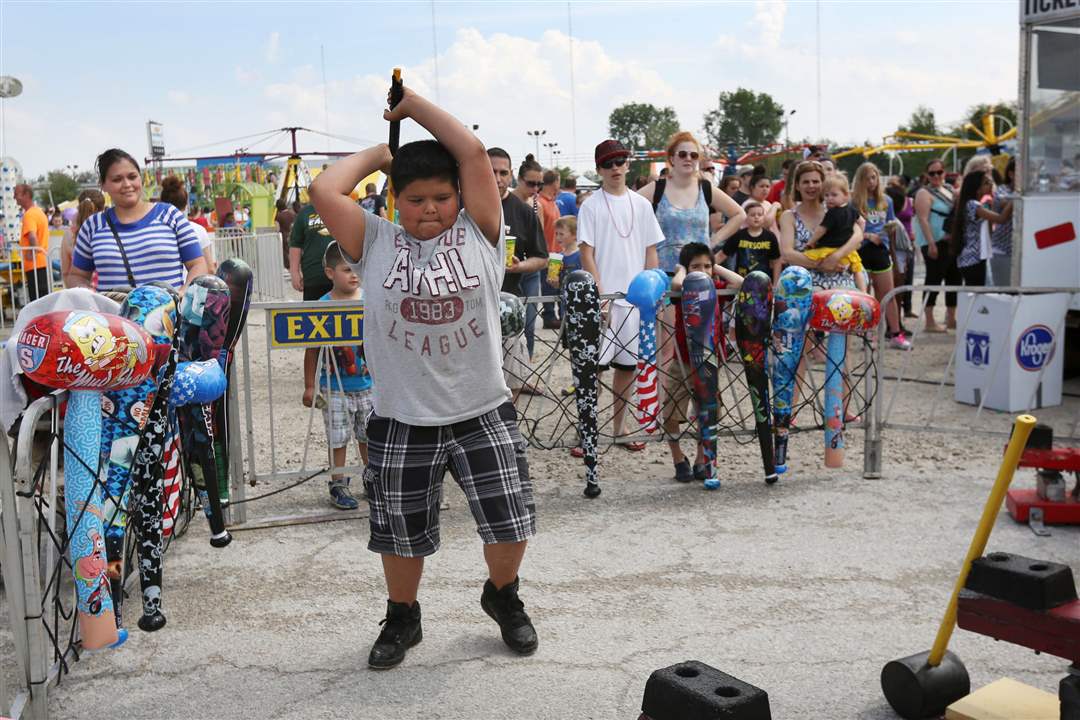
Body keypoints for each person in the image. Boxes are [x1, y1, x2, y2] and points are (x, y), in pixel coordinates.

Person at [308, 85, 538, 669]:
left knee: (510, 522)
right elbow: (323, 189)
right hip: (402, 417)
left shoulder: (480, 234)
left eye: (441, 197)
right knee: (400, 533)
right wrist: (379, 158)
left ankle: (503, 595)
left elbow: (472, 152)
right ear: (395, 204)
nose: (430, 209)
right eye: (415, 199)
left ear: (459, 198)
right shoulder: (374, 241)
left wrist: (412, 106)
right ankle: (403, 616)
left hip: (482, 407)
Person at [578, 139, 664, 452]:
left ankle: (619, 427)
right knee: (593, 369)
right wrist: (599, 296)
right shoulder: (591, 205)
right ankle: (586, 429)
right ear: (599, 169)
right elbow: (587, 254)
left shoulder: (642, 205)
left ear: (628, 164)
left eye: (619, 161)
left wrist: (651, 292)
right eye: (608, 164)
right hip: (603, 300)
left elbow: (650, 251)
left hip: (635, 301)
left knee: (627, 368)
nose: (615, 168)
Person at [68, 149, 207, 291]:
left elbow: (198, 265)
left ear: (140, 178)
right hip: (113, 313)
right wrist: (92, 299)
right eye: (117, 179)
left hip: (168, 312)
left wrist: (183, 293)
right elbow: (76, 276)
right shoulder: (92, 226)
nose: (127, 184)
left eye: (132, 177)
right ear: (103, 185)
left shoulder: (170, 215)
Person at [664, 242, 743, 484]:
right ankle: (679, 459)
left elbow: (741, 284)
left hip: (709, 362)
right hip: (683, 360)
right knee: (671, 411)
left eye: (706, 266)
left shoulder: (715, 287)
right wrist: (683, 271)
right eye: (695, 266)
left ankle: (701, 459)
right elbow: (676, 284)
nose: (702, 271)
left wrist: (715, 268)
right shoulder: (684, 289)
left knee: (707, 413)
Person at [301, 241, 371, 511]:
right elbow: (312, 350)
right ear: (330, 273)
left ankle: (371, 477)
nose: (354, 274)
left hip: (368, 385)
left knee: (369, 436)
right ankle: (338, 483)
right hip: (334, 387)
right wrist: (310, 386)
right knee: (338, 437)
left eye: (357, 268)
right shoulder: (322, 305)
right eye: (346, 269)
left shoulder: (369, 300)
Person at [637, 131, 745, 275]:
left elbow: (739, 214)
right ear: (672, 158)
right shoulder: (657, 188)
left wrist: (714, 241)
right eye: (682, 154)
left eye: (693, 155)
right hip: (664, 276)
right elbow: (626, 208)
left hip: (700, 276)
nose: (688, 158)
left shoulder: (706, 188)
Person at [488, 148, 548, 361]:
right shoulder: (462, 204)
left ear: (511, 174)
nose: (497, 179)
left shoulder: (523, 212)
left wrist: (519, 266)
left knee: (513, 380)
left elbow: (542, 257)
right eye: (491, 171)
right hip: (470, 306)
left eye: (503, 173)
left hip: (509, 303)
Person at [778, 161, 865, 291]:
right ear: (797, 185)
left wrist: (835, 257)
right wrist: (821, 264)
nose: (811, 186)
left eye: (815, 181)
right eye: (806, 182)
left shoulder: (835, 209)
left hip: (841, 281)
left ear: (822, 184)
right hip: (805, 286)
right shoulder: (789, 216)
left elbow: (857, 236)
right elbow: (787, 253)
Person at [850, 163, 910, 349]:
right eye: (867, 178)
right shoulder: (854, 202)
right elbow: (849, 228)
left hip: (881, 250)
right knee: (865, 297)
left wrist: (888, 234)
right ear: (860, 180)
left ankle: (895, 334)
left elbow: (891, 222)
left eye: (874, 177)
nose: (871, 182)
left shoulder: (886, 201)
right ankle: (869, 335)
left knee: (888, 294)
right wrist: (867, 235)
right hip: (861, 250)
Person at [913, 158, 959, 332]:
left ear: (944, 172)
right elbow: (923, 219)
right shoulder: (924, 193)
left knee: (953, 279)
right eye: (932, 173)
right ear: (926, 175)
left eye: (939, 172)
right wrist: (931, 243)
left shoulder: (948, 189)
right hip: (934, 242)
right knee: (933, 279)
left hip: (950, 241)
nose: (936, 176)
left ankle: (951, 318)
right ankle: (930, 321)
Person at [804, 175, 868, 293]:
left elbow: (821, 229)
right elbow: (862, 222)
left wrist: (811, 242)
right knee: (857, 269)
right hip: (848, 252)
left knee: (807, 257)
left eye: (834, 195)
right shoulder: (852, 210)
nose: (829, 199)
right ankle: (864, 293)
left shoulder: (832, 213)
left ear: (846, 195)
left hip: (829, 249)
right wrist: (860, 238)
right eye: (826, 195)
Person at [952, 169, 1012, 288]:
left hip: (971, 259)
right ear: (977, 188)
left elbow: (989, 230)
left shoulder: (971, 204)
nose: (991, 185)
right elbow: (1001, 219)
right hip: (973, 259)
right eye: (986, 183)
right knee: (977, 296)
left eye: (990, 182)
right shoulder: (974, 205)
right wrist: (1014, 200)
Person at [160, 176, 216, 274]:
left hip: (163, 287)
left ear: (162, 203)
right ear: (186, 204)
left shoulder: (155, 231)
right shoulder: (199, 230)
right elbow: (210, 268)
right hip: (192, 286)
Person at [715, 201, 781, 285]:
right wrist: (709, 264)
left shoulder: (770, 237)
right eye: (753, 215)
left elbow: (776, 262)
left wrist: (775, 284)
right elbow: (722, 255)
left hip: (764, 281)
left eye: (760, 215)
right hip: (742, 281)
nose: (756, 217)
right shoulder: (739, 235)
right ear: (746, 217)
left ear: (764, 217)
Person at [289, 202, 336, 301]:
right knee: (313, 313)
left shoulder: (343, 208)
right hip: (313, 277)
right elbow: (295, 244)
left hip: (341, 278)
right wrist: (294, 272)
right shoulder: (305, 213)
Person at [14, 183, 51, 301]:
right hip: (41, 262)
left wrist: (31, 253)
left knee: (36, 302)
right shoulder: (39, 212)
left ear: (26, 195)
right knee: (43, 300)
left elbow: (33, 236)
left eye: (17, 194)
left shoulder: (29, 215)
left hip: (34, 265)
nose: (14, 197)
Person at [886, 179, 917, 318]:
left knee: (899, 290)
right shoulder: (893, 223)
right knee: (896, 292)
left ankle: (897, 322)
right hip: (898, 257)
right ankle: (895, 324)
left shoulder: (893, 221)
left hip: (901, 254)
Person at [62, 189, 105, 287]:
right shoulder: (106, 231)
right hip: (107, 296)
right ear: (103, 208)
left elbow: (65, 272)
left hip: (80, 295)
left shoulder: (69, 235)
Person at [536, 170, 562, 329]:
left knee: (555, 285)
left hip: (557, 253)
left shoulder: (552, 202)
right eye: (559, 181)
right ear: (554, 182)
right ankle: (549, 316)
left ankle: (556, 315)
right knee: (548, 286)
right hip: (548, 253)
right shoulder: (541, 203)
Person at [990, 157, 1016, 286]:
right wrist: (1018, 196)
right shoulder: (1002, 190)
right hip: (1002, 251)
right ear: (1011, 174)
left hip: (1021, 251)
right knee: (1003, 292)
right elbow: (1005, 202)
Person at [275, 198, 297, 268]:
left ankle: (289, 268)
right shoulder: (293, 214)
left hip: (284, 237)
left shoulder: (278, 216)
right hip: (293, 235)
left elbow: (277, 228)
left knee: (285, 253)